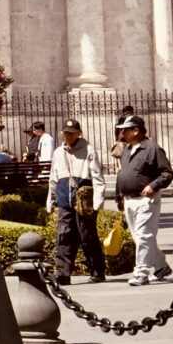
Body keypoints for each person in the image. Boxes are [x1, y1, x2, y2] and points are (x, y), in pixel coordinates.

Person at [113, 113, 173, 284]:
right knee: (139, 237)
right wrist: (119, 195)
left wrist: (153, 186)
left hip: (146, 199)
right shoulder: (126, 150)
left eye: (124, 131)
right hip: (129, 199)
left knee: (144, 236)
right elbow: (122, 174)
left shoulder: (152, 149)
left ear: (135, 130)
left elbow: (167, 173)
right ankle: (161, 266)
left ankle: (141, 273)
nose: (121, 134)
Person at [45, 120, 108, 284]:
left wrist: (98, 202)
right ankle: (63, 273)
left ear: (78, 133)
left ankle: (97, 271)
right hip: (64, 196)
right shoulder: (59, 152)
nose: (68, 136)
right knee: (63, 235)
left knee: (87, 235)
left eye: (72, 133)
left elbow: (97, 177)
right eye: (66, 133)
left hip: (83, 199)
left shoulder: (88, 150)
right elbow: (53, 177)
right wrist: (51, 199)